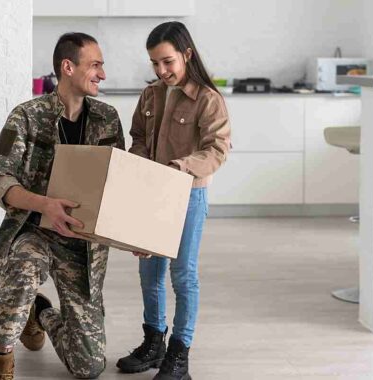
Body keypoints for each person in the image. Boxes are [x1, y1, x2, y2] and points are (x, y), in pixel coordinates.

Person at [0, 32, 125, 380]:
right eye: (95, 65)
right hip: (35, 232)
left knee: (89, 368)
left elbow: (122, 184)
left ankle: (42, 313)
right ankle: (0, 358)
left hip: (83, 248)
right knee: (24, 270)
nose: (102, 74)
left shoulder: (108, 119)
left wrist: (138, 236)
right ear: (68, 67)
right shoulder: (27, 116)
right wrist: (44, 205)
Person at [116, 21, 231, 380]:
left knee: (183, 275)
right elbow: (137, 136)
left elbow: (217, 149)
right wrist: (139, 163)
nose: (161, 71)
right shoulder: (150, 95)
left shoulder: (209, 100)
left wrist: (177, 167)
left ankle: (179, 355)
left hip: (188, 195)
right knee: (149, 272)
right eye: (154, 63)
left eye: (167, 61)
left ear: (187, 55)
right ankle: (154, 343)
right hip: (151, 193)